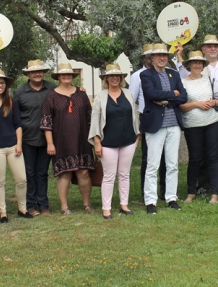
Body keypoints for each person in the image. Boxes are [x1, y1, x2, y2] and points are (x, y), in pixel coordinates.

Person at [175, 34, 218, 194]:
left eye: (215, 46)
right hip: (206, 114)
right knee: (205, 151)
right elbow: (184, 73)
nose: (212, 48)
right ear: (203, 49)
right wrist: (179, 55)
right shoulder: (199, 65)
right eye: (209, 46)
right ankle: (204, 184)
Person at [41, 63, 96, 215]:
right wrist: (50, 143)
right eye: (63, 74)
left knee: (83, 173)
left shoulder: (81, 94)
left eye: (69, 74)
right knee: (64, 173)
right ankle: (64, 207)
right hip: (61, 141)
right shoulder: (51, 96)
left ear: (72, 76)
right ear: (58, 77)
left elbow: (90, 118)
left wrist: (94, 140)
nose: (66, 77)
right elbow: (46, 122)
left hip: (82, 139)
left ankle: (87, 204)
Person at [140, 43, 188, 214]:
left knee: (172, 164)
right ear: (152, 58)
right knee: (152, 165)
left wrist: (167, 100)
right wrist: (173, 94)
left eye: (164, 55)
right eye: (158, 55)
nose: (162, 58)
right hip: (156, 125)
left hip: (174, 124)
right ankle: (150, 201)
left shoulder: (174, 74)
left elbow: (184, 96)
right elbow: (151, 94)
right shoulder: (146, 75)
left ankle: (171, 198)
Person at [0, 71, 32, 223]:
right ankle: (3, 212)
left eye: (2, 83)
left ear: (6, 86)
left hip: (13, 146)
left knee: (21, 179)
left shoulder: (11, 103)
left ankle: (22, 209)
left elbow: (18, 125)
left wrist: (19, 144)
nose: (0, 85)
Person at [89, 64, 140, 219]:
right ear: (106, 78)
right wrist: (97, 142)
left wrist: (137, 136)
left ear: (121, 78)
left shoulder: (128, 94)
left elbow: (135, 115)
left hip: (128, 141)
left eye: (117, 76)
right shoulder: (101, 96)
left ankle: (124, 205)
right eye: (111, 76)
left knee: (124, 174)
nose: (115, 78)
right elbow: (95, 121)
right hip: (108, 142)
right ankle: (106, 208)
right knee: (109, 176)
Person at [178, 51, 218, 204]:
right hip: (192, 125)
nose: (197, 65)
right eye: (194, 62)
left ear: (203, 65)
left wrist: (213, 102)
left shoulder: (209, 79)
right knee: (195, 158)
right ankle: (191, 192)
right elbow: (181, 106)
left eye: (200, 63)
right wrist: (197, 104)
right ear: (189, 65)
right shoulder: (182, 82)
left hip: (212, 122)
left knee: (212, 157)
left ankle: (215, 193)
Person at [14, 60, 56, 216]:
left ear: (43, 73)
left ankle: (43, 204)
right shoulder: (20, 92)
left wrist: (80, 90)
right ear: (28, 74)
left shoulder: (52, 88)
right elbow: (15, 117)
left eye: (40, 71)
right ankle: (30, 204)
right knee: (29, 173)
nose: (37, 74)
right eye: (34, 72)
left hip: (47, 138)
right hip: (27, 138)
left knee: (42, 173)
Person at [129, 44, 167, 201]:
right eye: (149, 56)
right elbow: (132, 100)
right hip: (148, 119)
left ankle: (165, 191)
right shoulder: (137, 76)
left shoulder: (166, 73)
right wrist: (137, 123)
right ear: (145, 58)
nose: (152, 58)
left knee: (165, 158)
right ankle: (146, 193)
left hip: (166, 118)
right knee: (148, 158)